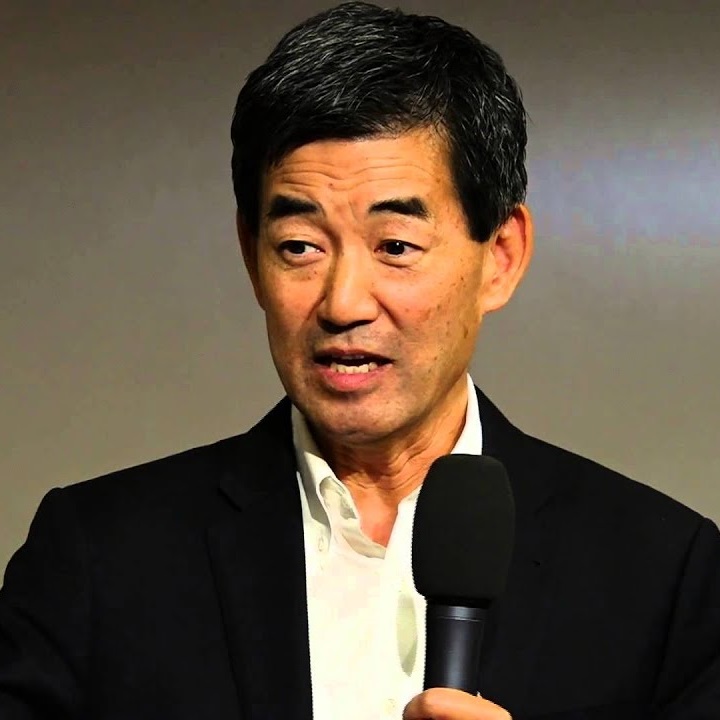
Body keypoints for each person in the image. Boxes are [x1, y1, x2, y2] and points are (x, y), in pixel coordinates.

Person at [1, 2, 719, 719]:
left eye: (395, 246)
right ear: (251, 258)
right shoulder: (97, 556)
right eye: (299, 247)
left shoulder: (666, 576)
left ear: (500, 257)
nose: (343, 302)